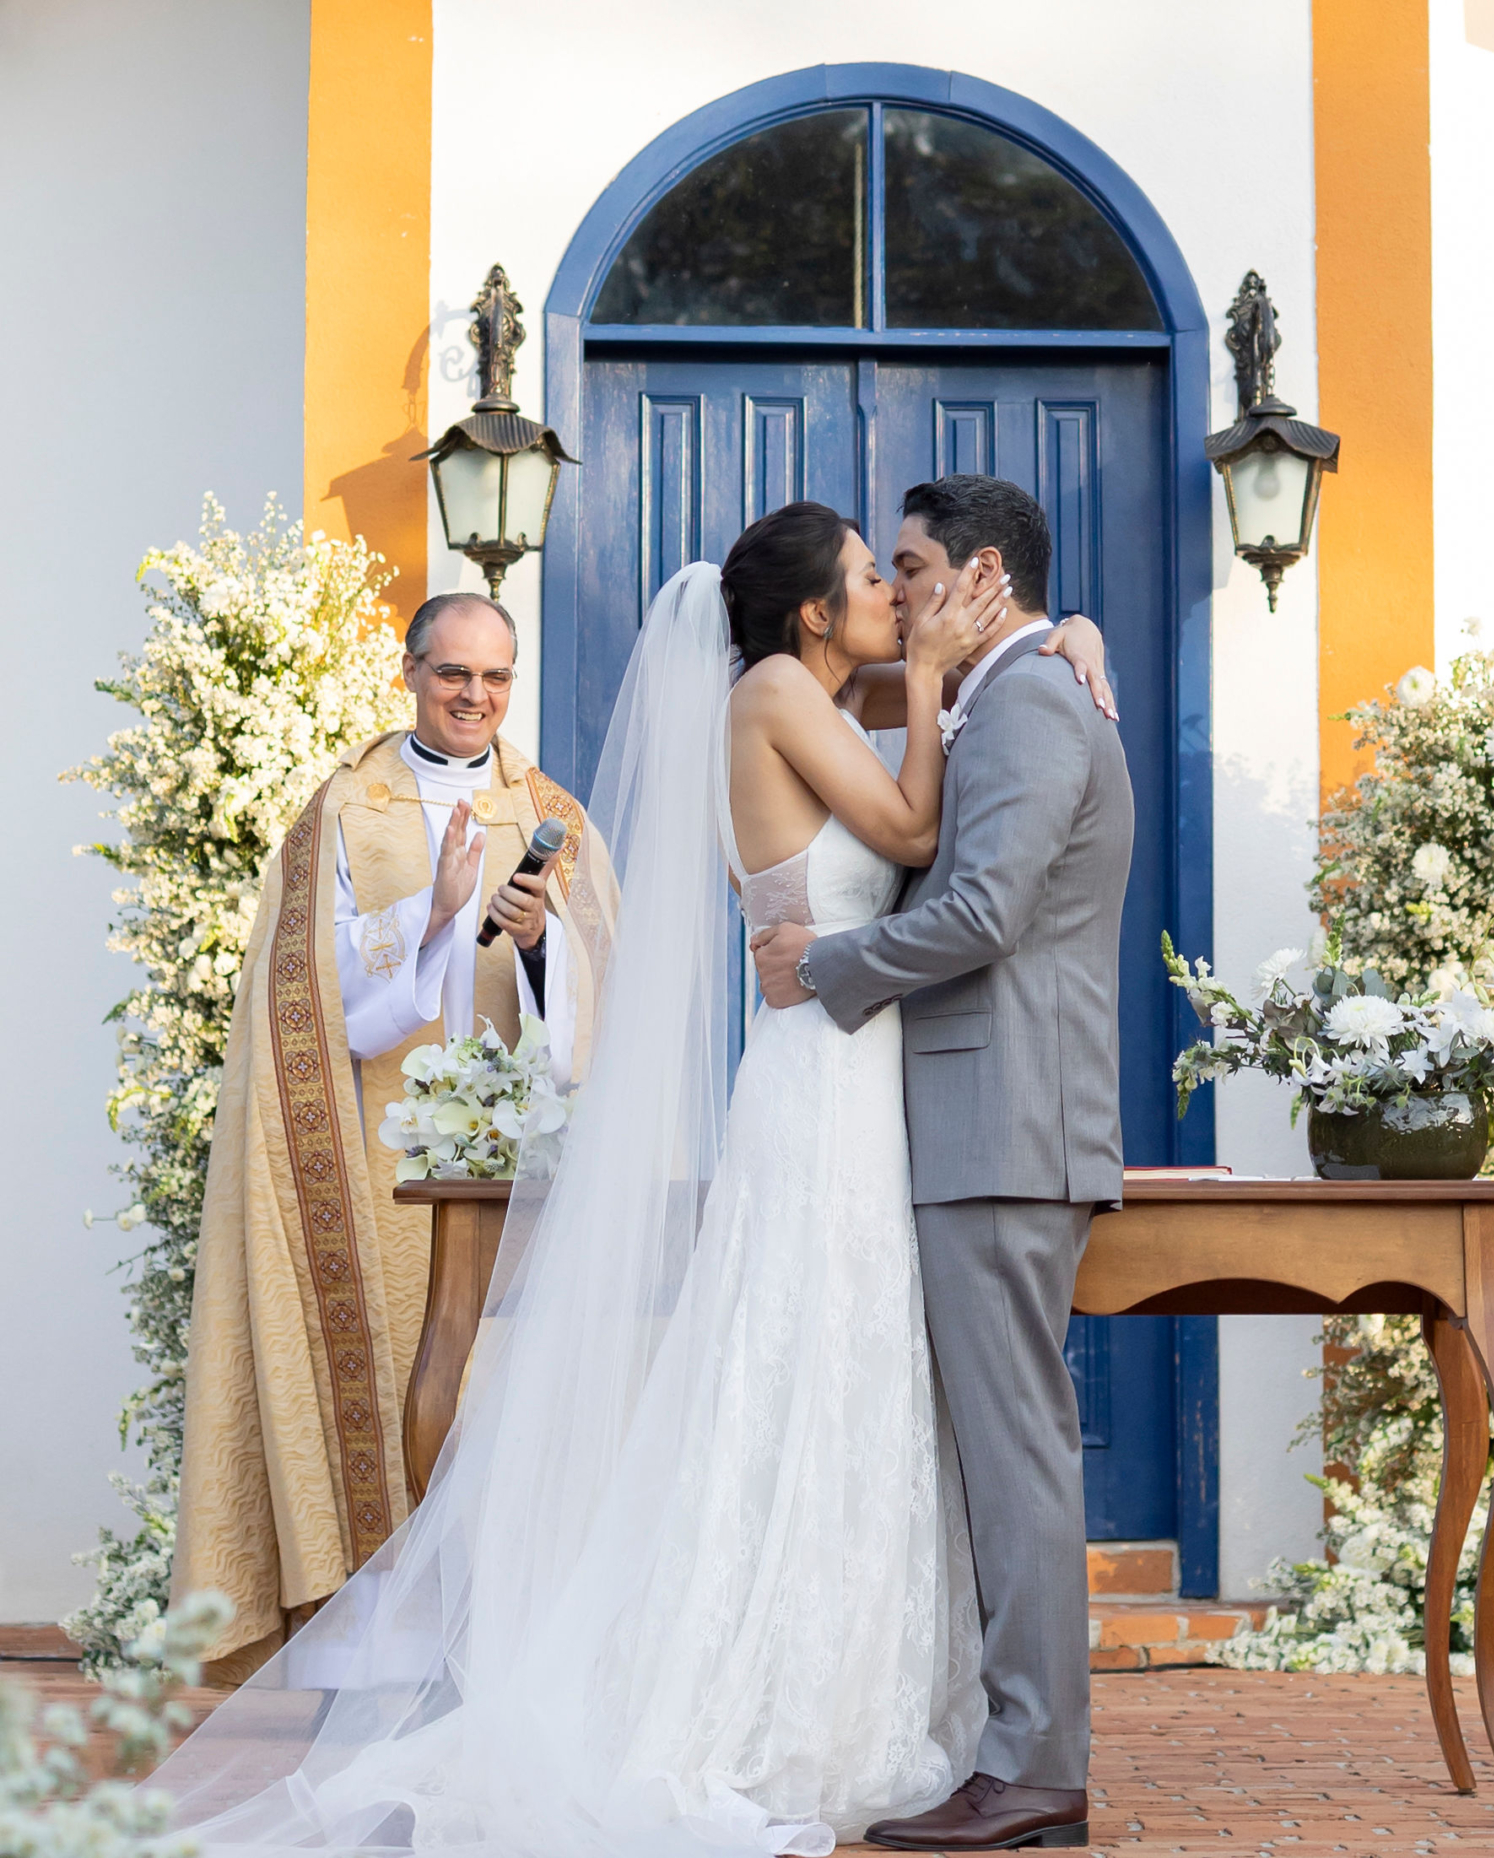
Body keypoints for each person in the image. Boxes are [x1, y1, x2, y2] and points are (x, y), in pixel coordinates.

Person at [155, 512, 1112, 1856]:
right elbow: (906, 823)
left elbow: (935, 703)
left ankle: (872, 1680)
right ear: (812, 618)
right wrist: (952, 675)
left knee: (852, 1376)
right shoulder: (778, 694)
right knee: (805, 1371)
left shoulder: (808, 687)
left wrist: (1059, 631)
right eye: (866, 582)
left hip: (851, 1072)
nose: (894, 604)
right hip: (823, 1075)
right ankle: (770, 1693)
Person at [753, 475, 1135, 1853]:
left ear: (978, 572)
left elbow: (978, 910)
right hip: (977, 1125)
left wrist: (826, 968)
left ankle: (1034, 1767)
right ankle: (1001, 1743)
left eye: (909, 566)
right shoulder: (1014, 682)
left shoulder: (1031, 699)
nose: (897, 590)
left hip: (1005, 1127)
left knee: (1016, 1455)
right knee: (988, 1453)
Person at [173, 592, 615, 1681]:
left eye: (496, 678)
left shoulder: (550, 810)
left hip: (520, 1156)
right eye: (453, 673)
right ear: (410, 672)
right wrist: (428, 915)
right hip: (376, 1157)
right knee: (380, 1384)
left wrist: (542, 938)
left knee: (502, 1387)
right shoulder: (341, 809)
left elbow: (611, 1004)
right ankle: (371, 1672)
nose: (475, 697)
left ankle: (505, 1653)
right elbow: (304, 996)